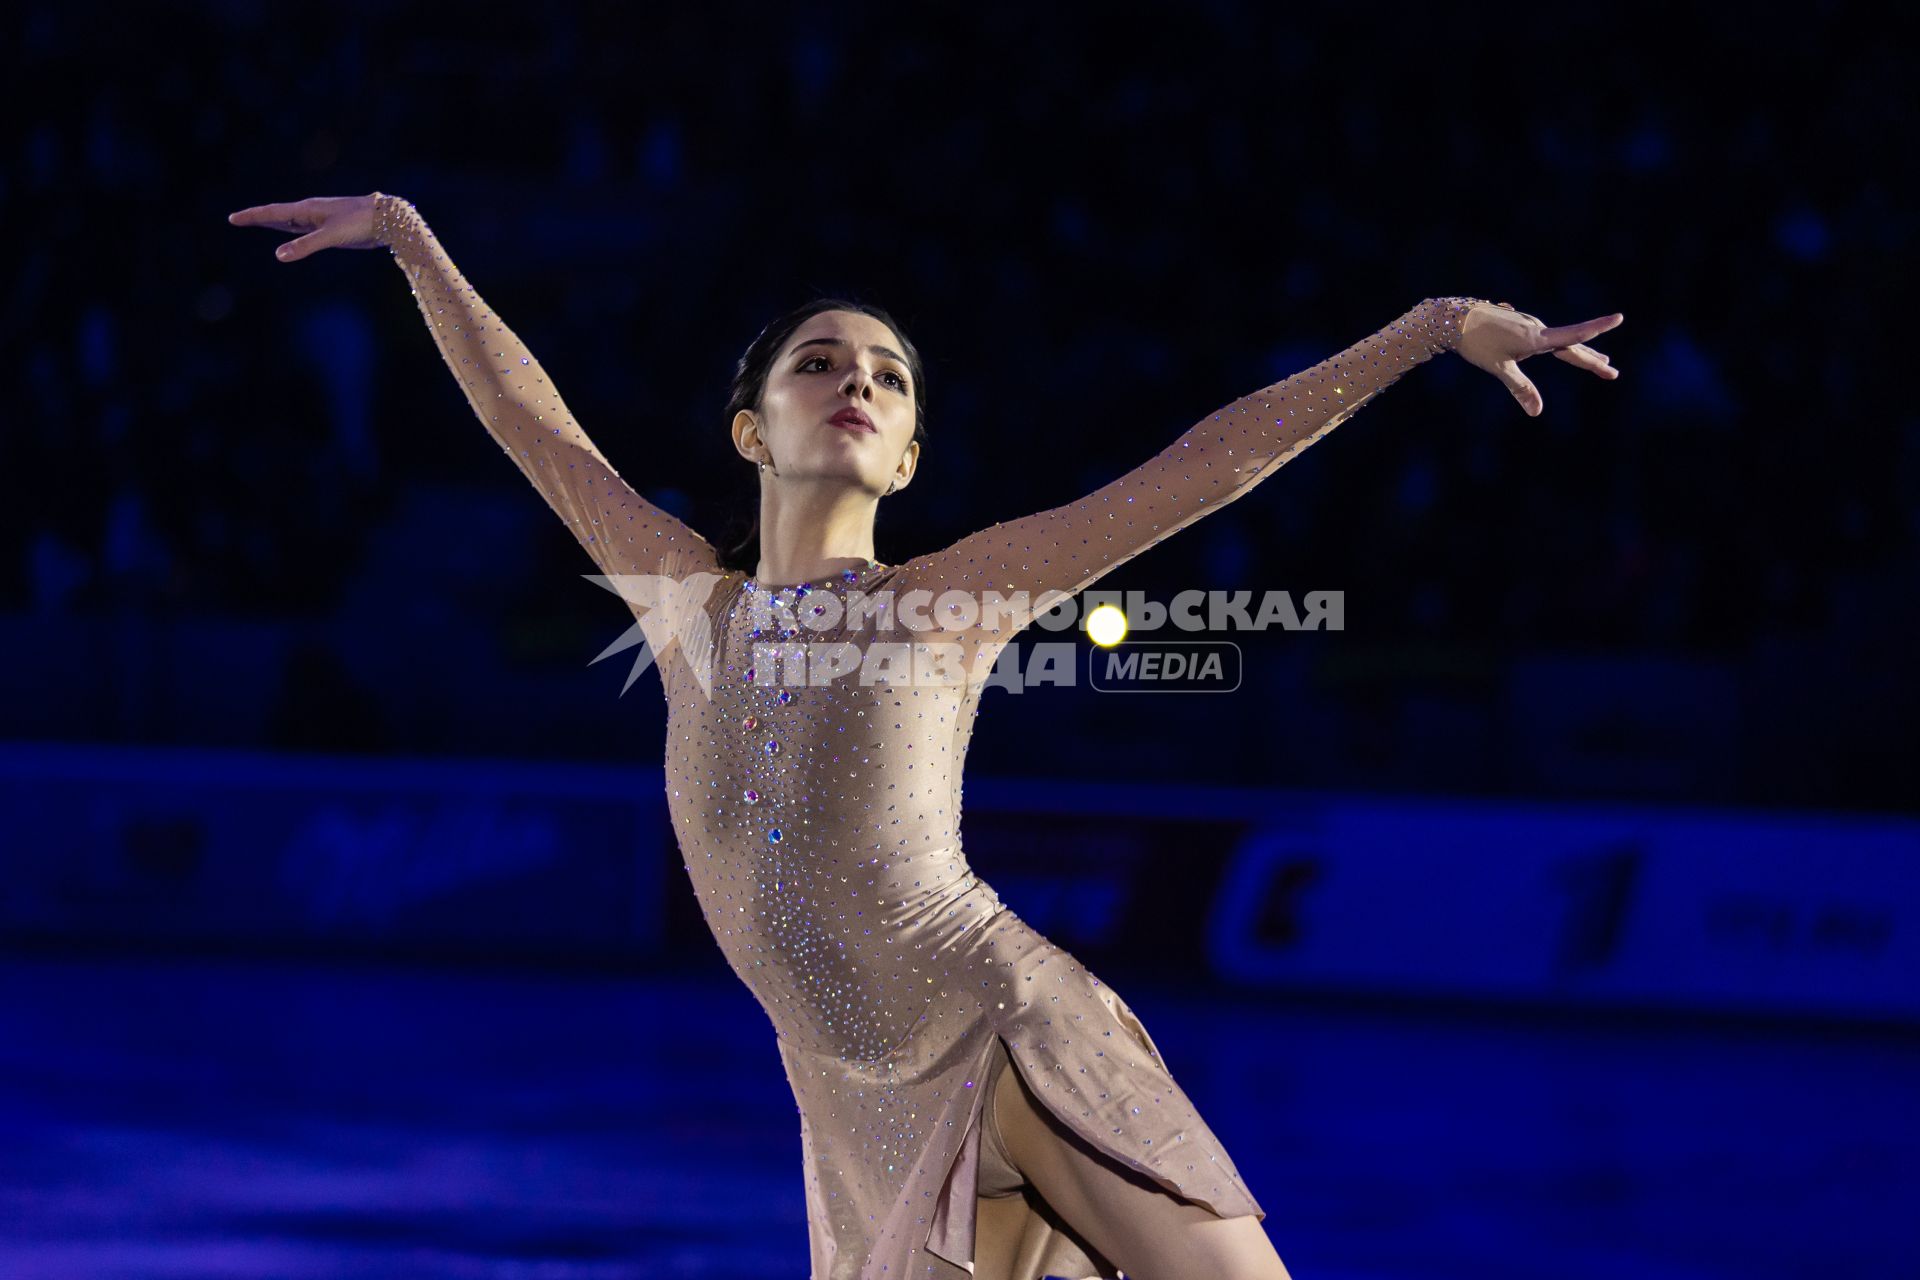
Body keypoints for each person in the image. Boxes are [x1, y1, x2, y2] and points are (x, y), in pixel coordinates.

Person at [229, 191, 1622, 1280]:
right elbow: (539, 431)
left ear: (905, 460)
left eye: (888, 379)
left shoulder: (948, 597)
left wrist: (1433, 325)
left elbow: (1206, 465)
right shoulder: (683, 604)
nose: (858, 381)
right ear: (749, 430)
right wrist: (415, 246)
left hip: (1009, 1033)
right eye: (819, 363)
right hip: (859, 1116)